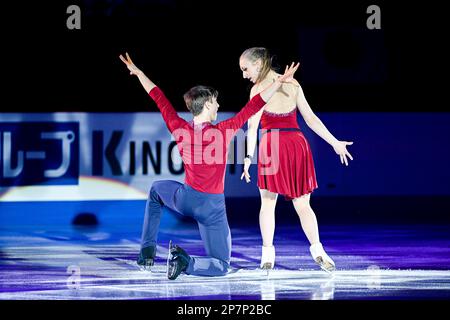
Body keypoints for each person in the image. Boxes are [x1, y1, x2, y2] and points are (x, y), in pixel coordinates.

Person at [119, 52, 299, 279]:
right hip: (212, 209)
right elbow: (254, 105)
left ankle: (146, 252)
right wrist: (279, 82)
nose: (218, 105)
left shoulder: (178, 127)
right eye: (215, 102)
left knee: (156, 189)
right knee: (221, 265)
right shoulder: (223, 131)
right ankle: (186, 262)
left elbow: (159, 97)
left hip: (186, 199)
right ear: (206, 105)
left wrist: (139, 74)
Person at [239, 47, 354, 273]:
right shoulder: (293, 85)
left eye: (245, 68)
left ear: (259, 63)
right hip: (296, 144)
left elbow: (252, 127)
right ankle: (318, 250)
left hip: (272, 145)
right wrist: (334, 142)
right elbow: (310, 119)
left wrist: (247, 157)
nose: (244, 74)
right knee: (303, 205)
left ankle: (267, 256)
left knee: (268, 204)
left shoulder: (258, 90)